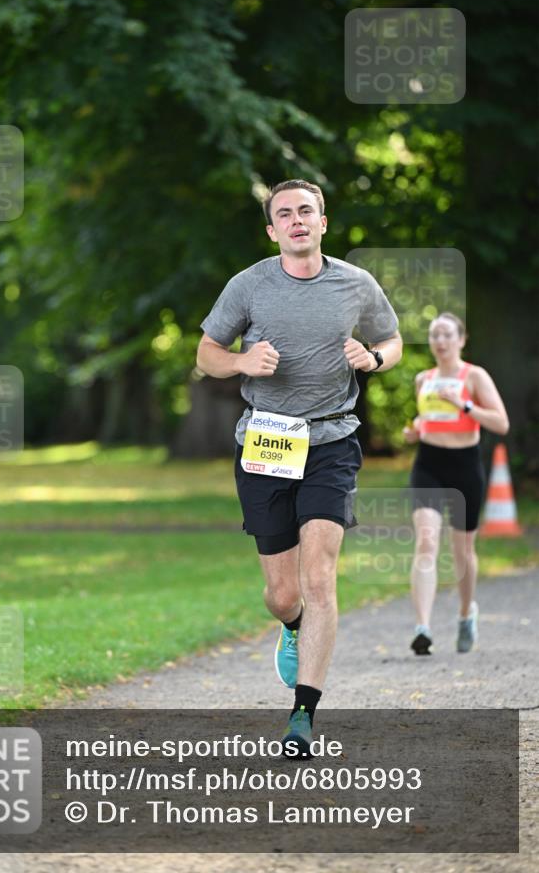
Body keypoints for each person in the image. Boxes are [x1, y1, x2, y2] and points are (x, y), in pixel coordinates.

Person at [196, 179, 402, 755]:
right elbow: (206, 355)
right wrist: (242, 359)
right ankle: (290, 628)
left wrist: (375, 357)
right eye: (284, 214)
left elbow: (393, 339)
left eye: (305, 211)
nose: (296, 220)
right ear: (272, 229)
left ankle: (302, 717)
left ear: (323, 221)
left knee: (320, 578)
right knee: (284, 594)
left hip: (333, 440)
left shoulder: (355, 283)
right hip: (268, 441)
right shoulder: (250, 285)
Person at [403, 312, 510, 656]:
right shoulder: (424, 379)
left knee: (462, 551)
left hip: (465, 466)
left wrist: (464, 404)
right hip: (428, 465)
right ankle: (423, 627)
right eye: (435, 335)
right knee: (426, 540)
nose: (440, 341)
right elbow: (427, 418)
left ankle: (466, 614)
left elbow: (501, 422)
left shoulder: (473, 376)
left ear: (461, 340)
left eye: (448, 334)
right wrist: (414, 430)